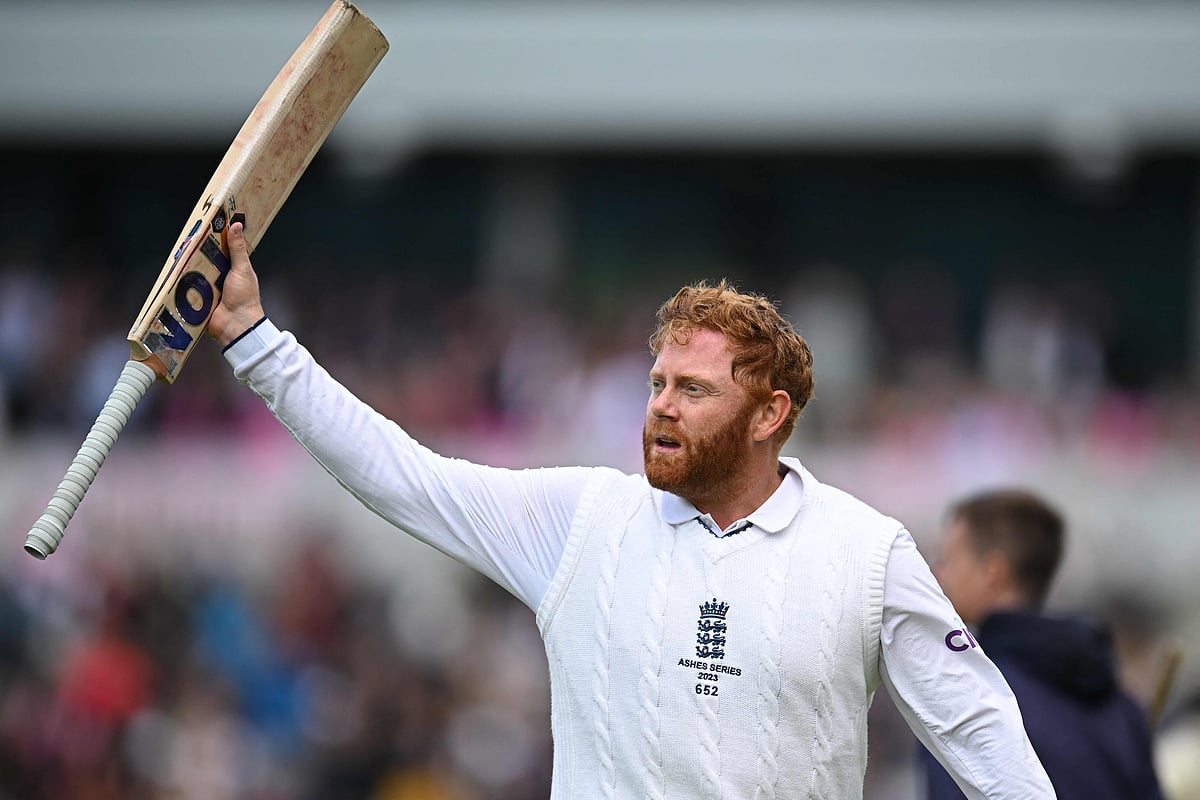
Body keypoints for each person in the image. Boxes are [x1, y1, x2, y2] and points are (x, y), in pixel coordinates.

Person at [208, 219, 1055, 799]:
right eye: (657, 384)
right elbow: (402, 476)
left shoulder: (867, 552)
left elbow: (980, 732)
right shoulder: (579, 521)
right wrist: (255, 340)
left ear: (770, 416)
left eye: (693, 389)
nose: (661, 407)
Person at [925, 489, 1164, 800]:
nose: (936, 574)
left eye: (947, 559)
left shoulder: (965, 696)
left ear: (993, 571)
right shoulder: (1121, 704)